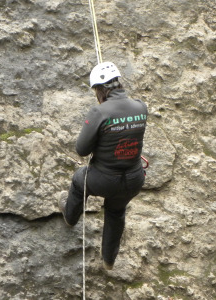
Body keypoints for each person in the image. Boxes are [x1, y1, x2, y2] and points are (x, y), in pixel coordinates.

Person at [59, 61, 148, 270]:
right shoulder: (140, 107)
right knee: (116, 211)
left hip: (104, 179)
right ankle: (109, 259)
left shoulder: (100, 112)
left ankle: (70, 216)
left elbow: (81, 149)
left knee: (80, 180)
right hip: (134, 179)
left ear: (100, 89)